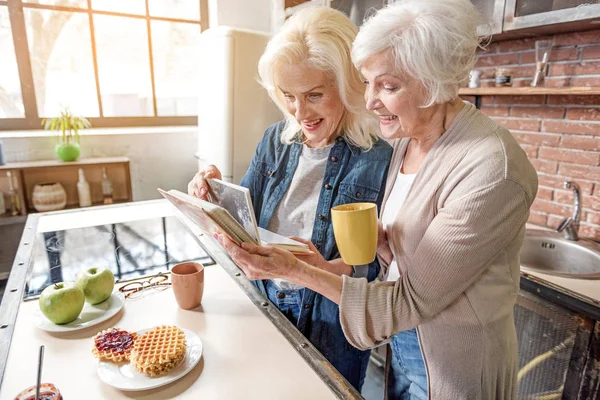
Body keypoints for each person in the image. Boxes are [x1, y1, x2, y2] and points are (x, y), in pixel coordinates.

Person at [214, 0, 539, 399]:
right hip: (402, 349)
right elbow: (399, 257)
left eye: (387, 85)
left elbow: (406, 301)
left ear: (434, 79)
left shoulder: (492, 170)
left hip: (454, 368)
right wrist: (342, 261)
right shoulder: (409, 141)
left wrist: (300, 273)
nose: (368, 102)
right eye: (368, 82)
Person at [188, 7, 393, 391]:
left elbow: (377, 272)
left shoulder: (379, 158)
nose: (300, 112)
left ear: (348, 86)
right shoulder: (273, 142)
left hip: (331, 322)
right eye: (289, 96)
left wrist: (319, 269)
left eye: (315, 95)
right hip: (264, 302)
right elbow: (242, 220)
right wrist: (211, 190)